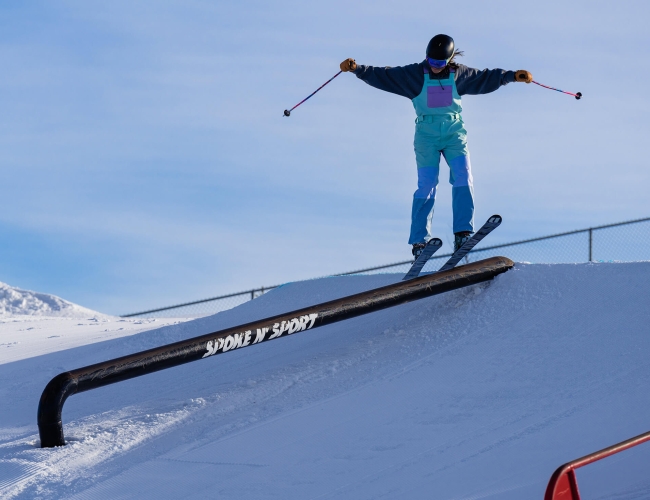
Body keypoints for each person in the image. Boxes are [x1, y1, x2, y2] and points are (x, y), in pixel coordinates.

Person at [340, 34, 532, 258]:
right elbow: (384, 75)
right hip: (426, 136)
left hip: (454, 133)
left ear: (449, 60)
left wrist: (510, 76)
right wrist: (357, 69)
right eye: (432, 62)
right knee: (427, 184)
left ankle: (462, 233)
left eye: (440, 64)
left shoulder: (458, 74)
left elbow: (484, 77)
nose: (436, 67)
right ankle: (420, 242)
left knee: (463, 175)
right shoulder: (413, 75)